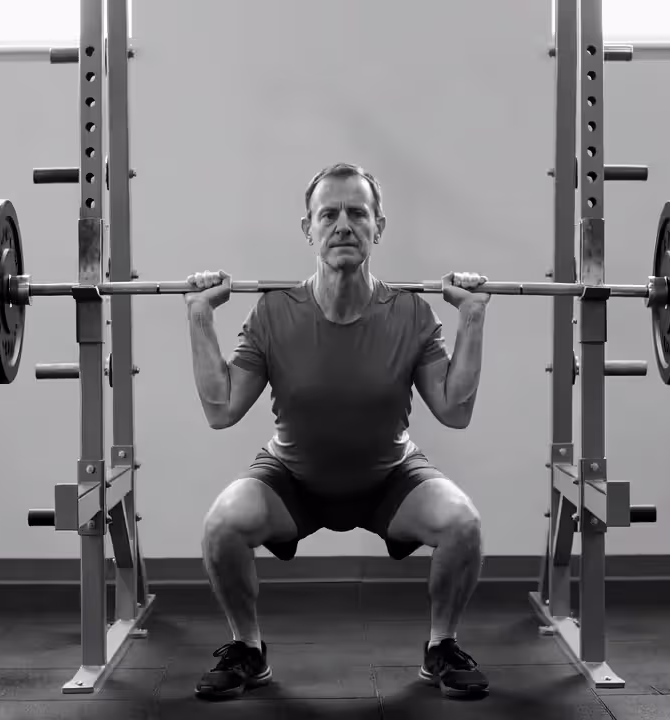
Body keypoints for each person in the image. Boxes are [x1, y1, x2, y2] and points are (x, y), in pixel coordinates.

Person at [183, 162, 491, 700]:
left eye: (357, 213)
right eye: (329, 214)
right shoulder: (274, 313)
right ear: (308, 228)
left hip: (389, 479)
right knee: (221, 526)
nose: (343, 225)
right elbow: (222, 409)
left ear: (379, 227)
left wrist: (472, 319)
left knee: (462, 524)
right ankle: (246, 650)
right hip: (293, 480)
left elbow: (454, 410)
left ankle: (442, 647)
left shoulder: (411, 313)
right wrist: (199, 317)